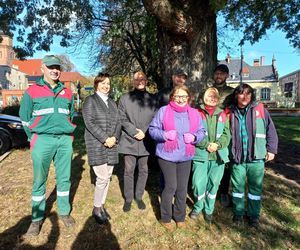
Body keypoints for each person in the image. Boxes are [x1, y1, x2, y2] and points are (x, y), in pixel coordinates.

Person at [19, 55, 76, 236]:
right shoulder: (32, 91)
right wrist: (33, 138)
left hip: (64, 141)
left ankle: (64, 212)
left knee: (64, 179)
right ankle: (36, 219)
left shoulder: (67, 92)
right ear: (42, 68)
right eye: (51, 66)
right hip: (41, 140)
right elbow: (25, 118)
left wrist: (68, 136)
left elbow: (71, 115)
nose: (55, 70)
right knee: (39, 181)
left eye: (57, 67)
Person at [149, 85, 206, 230]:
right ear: (172, 97)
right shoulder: (163, 111)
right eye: (177, 96)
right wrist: (164, 135)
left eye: (184, 96)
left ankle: (179, 217)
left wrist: (194, 137)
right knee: (171, 186)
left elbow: (202, 131)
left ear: (188, 98)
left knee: (182, 188)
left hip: (185, 156)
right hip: (166, 155)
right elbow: (152, 130)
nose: (180, 99)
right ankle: (166, 217)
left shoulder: (194, 113)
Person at [230, 83, 278, 227]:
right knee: (237, 187)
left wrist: (272, 149)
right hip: (238, 158)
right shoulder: (230, 112)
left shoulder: (260, 110)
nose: (245, 97)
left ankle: (253, 215)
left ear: (252, 95)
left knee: (255, 188)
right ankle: (238, 213)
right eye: (241, 93)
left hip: (256, 157)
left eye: (248, 93)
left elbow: (271, 130)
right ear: (236, 96)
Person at [82, 73, 120, 224]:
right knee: (102, 177)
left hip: (112, 144)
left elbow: (118, 123)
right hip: (97, 144)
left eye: (108, 84)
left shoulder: (112, 102)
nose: (106, 86)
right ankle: (96, 208)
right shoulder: (90, 101)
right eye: (103, 83)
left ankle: (102, 205)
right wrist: (105, 138)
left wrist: (114, 138)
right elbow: (89, 122)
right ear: (96, 84)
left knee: (108, 176)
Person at [190, 87, 231, 224]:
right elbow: (193, 132)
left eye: (214, 96)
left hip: (218, 156)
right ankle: (198, 206)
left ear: (218, 99)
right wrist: (206, 144)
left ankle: (209, 210)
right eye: (209, 96)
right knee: (197, 183)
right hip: (201, 154)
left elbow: (227, 135)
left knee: (214, 184)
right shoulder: (196, 112)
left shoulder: (223, 114)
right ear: (204, 97)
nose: (211, 98)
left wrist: (218, 145)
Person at [118, 71, 157, 212]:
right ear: (133, 81)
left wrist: (144, 131)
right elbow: (121, 117)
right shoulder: (125, 98)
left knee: (143, 170)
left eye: (143, 79)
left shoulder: (153, 99)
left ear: (146, 81)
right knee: (128, 170)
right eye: (137, 79)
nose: (140, 81)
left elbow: (156, 118)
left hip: (146, 141)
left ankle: (138, 196)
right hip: (129, 139)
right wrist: (134, 131)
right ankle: (128, 198)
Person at [212, 64, 234, 207]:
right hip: (210, 128)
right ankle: (209, 187)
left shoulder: (232, 92)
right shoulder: (208, 91)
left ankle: (224, 192)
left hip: (226, 129)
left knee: (225, 161)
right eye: (217, 73)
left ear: (226, 75)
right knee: (211, 159)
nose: (219, 76)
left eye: (222, 74)